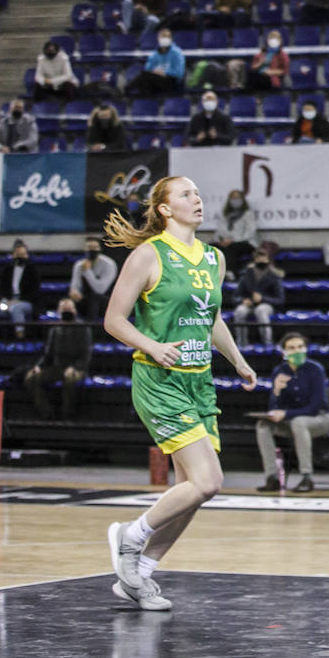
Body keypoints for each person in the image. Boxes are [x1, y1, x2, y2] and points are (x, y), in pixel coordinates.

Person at [102, 176, 257, 611]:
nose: (198, 199)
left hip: (199, 381)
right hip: (159, 379)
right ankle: (129, 538)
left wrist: (238, 361)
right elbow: (114, 320)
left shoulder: (214, 258)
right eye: (186, 194)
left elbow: (212, 319)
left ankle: (139, 577)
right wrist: (152, 345)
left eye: (198, 193)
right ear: (166, 209)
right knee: (209, 482)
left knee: (191, 489)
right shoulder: (148, 255)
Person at [254, 332, 329, 493]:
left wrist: (286, 415)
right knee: (263, 425)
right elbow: (274, 407)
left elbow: (315, 407)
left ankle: (307, 477)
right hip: (292, 422)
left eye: (300, 347)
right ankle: (272, 477)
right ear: (284, 352)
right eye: (292, 348)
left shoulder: (315, 369)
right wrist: (276, 391)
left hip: (319, 419)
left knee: (299, 422)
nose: (297, 351)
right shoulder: (280, 371)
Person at [24, 297, 92, 420]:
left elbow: (86, 355)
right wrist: (38, 367)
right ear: (58, 312)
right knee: (31, 378)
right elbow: (48, 355)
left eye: (69, 309)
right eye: (63, 309)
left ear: (74, 311)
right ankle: (46, 413)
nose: (66, 312)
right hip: (57, 367)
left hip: (77, 369)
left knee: (69, 379)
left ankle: (67, 415)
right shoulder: (55, 329)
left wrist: (75, 368)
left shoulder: (83, 328)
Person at [232, 249, 283, 346]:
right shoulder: (246, 276)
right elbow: (235, 297)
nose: (261, 261)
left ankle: (267, 343)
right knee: (240, 311)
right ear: (255, 260)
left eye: (264, 258)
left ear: (268, 260)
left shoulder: (274, 277)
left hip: (267, 305)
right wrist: (243, 300)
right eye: (259, 258)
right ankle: (242, 344)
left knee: (261, 310)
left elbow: (280, 300)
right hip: (249, 304)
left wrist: (262, 299)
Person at [0, 240, 41, 336]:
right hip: (8, 301)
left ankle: (20, 336)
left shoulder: (32, 270)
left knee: (16, 309)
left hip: (26, 302)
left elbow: (35, 292)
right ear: (13, 255)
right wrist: (6, 300)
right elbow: (2, 288)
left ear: (27, 255)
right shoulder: (8, 269)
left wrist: (18, 301)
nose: (20, 257)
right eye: (18, 254)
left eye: (22, 254)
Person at [68, 237, 117, 321]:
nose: (92, 250)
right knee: (67, 301)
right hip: (85, 300)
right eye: (89, 247)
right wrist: (75, 292)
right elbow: (75, 285)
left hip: (108, 301)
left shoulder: (109, 264)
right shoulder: (79, 265)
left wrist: (87, 271)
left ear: (100, 249)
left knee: (94, 299)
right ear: (85, 249)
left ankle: (90, 329)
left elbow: (100, 290)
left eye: (94, 248)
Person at [128, 31, 185, 97]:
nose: (164, 40)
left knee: (144, 76)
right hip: (157, 80)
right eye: (162, 38)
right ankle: (145, 101)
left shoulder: (177, 53)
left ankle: (127, 90)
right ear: (158, 39)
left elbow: (179, 73)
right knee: (144, 81)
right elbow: (148, 68)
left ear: (171, 39)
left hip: (171, 81)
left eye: (166, 38)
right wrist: (155, 72)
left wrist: (164, 72)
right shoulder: (155, 53)